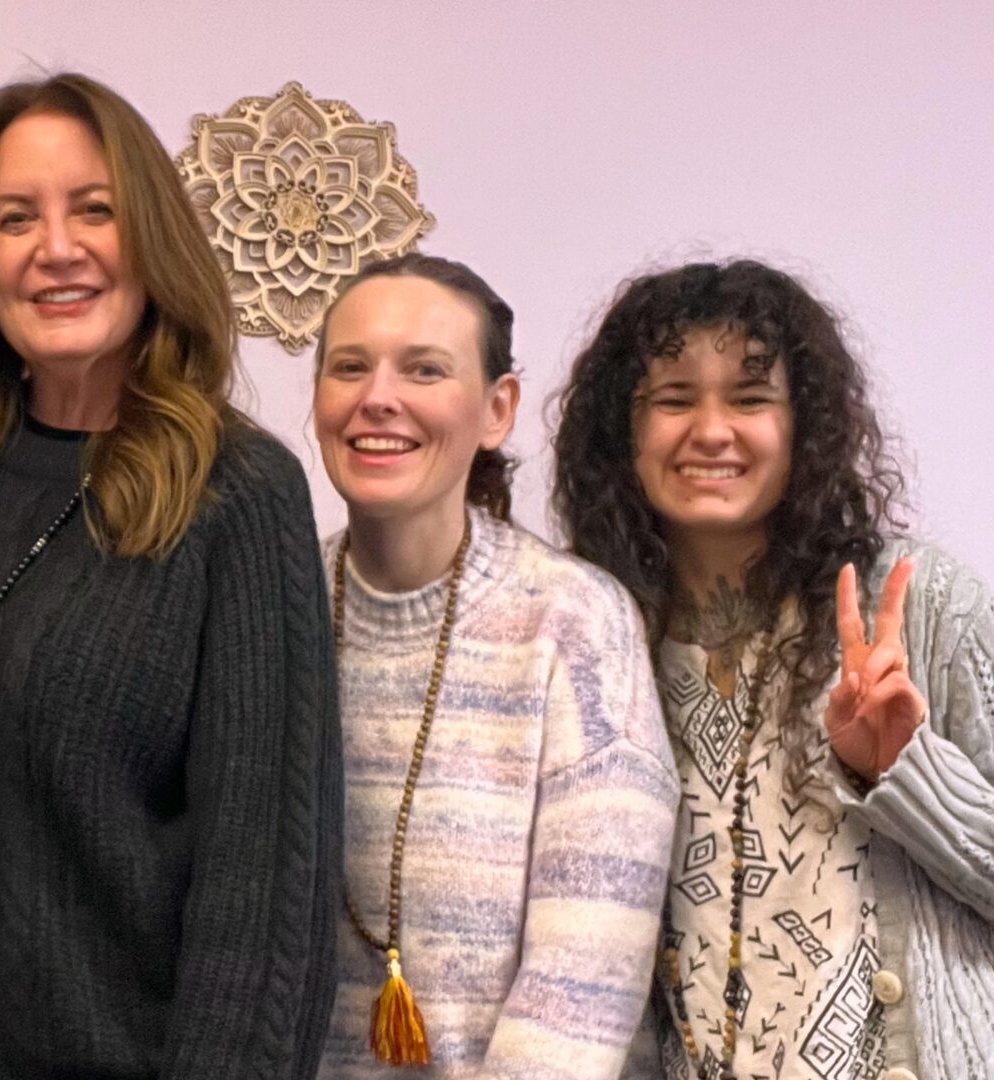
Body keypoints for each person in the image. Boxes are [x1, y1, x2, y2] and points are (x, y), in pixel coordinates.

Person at [0, 72, 343, 1078]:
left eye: (94, 210)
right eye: (15, 218)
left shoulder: (235, 493)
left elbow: (265, 889)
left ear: (151, 238)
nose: (57, 248)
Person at [553, 258, 994, 1079]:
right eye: (675, 399)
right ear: (624, 430)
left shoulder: (921, 607)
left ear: (806, 427)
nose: (712, 430)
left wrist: (908, 771)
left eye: (751, 399)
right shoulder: (595, 640)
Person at [310, 253, 677, 1078]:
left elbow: (584, 984)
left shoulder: (576, 622)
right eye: (350, 367)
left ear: (496, 409)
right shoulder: (271, 606)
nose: (379, 397)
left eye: (425, 370)